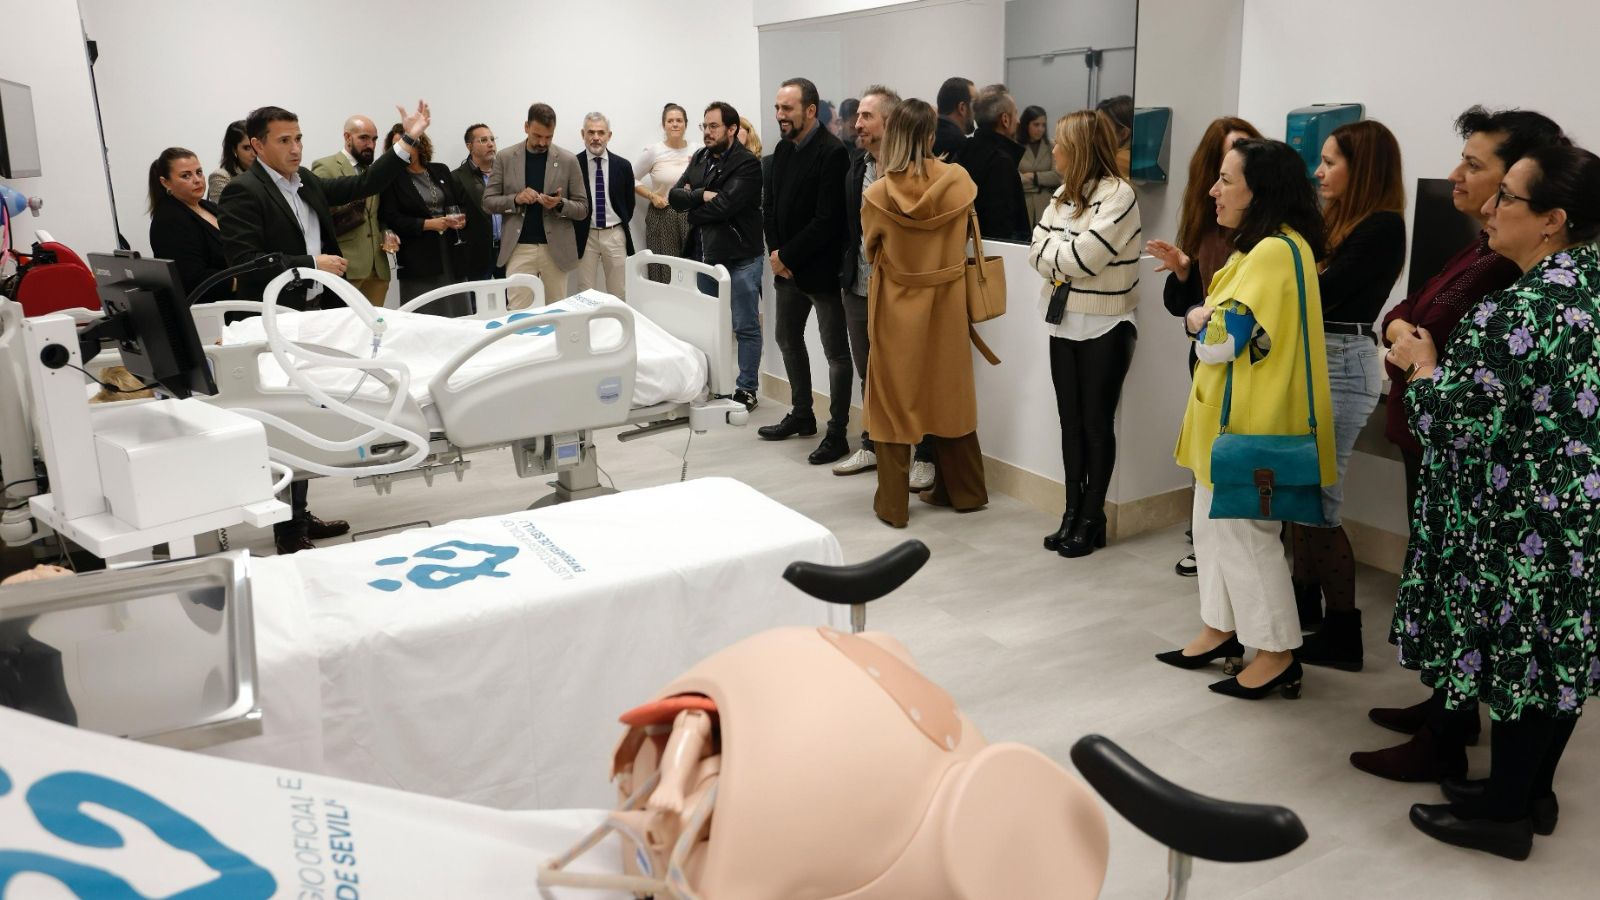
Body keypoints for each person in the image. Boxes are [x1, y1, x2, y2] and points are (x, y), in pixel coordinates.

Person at [1384, 144, 1600, 861]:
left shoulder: (1519, 311)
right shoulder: (1593, 284)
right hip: (1581, 514)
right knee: (1558, 656)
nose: (1489, 205)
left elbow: (1446, 420)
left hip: (1524, 521)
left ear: (1553, 221)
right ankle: (1530, 793)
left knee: (1521, 662)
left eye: (1507, 195)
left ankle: (1505, 815)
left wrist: (1422, 368)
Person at [1352, 107, 1568, 785]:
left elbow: (1434, 347)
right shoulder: (1480, 248)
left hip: (1471, 461)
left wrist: (1417, 355)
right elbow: (1401, 316)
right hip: (1432, 440)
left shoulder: (1513, 275)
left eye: (1478, 167)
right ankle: (1448, 711)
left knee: (1462, 593)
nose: (1458, 176)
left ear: (1527, 185)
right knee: (1446, 587)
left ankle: (1450, 729)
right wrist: (1411, 343)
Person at [1157, 138, 1335, 700]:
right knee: (1212, 529)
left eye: (1226, 180)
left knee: (1245, 538)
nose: (1214, 190)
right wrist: (1202, 314)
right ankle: (1221, 628)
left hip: (1252, 423)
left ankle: (1278, 650)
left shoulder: (1275, 252)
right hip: (1225, 420)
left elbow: (1224, 337)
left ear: (1259, 192)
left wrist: (1193, 320)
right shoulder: (1256, 248)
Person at [218, 101, 431, 554]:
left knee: (310, 411)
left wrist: (406, 140)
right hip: (277, 320)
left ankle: (300, 514)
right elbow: (246, 263)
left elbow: (364, 182)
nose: (295, 149)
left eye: (298, 139)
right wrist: (310, 264)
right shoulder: (243, 191)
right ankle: (288, 531)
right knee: (289, 420)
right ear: (256, 145)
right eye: (284, 141)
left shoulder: (305, 182)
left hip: (316, 317)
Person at [1284, 120, 1408, 669]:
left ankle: (1343, 634)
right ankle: (1303, 607)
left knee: (1321, 506)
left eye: (1331, 161)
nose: (1319, 170)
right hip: (1318, 359)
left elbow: (1317, 292)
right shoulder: (1338, 222)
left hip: (1341, 362)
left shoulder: (1381, 227)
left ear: (1364, 169)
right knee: (1303, 500)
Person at [861, 98, 987, 528]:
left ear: (894, 137)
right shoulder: (959, 182)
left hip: (897, 305)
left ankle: (893, 506)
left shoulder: (877, 194)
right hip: (948, 302)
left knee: (892, 402)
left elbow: (870, 248)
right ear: (932, 136)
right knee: (950, 392)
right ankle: (965, 492)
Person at [1150, 116, 1262, 579]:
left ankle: (1230, 544)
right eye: (1226, 159)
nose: (1224, 180)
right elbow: (1184, 306)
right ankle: (1204, 541)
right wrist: (1181, 269)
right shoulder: (1205, 219)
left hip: (1242, 360)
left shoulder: (1266, 237)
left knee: (1230, 451)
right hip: (1208, 354)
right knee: (1204, 450)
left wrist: (1203, 317)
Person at [1030, 110, 1142, 559]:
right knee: (1070, 425)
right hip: (1064, 322)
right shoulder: (1062, 193)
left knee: (1097, 426)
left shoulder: (1120, 195)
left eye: (1060, 143)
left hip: (1107, 325)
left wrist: (1058, 253)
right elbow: (1035, 248)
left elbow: (1086, 258)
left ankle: (1093, 516)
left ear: (1078, 151)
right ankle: (1071, 512)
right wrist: (1061, 252)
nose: (1052, 150)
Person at [833, 85, 938, 481]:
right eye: (857, 115)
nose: (856, 123)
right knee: (869, 373)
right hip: (860, 288)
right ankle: (871, 445)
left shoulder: (917, 173)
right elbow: (851, 229)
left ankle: (924, 455)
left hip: (903, 292)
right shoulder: (857, 166)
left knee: (914, 375)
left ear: (890, 123)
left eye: (866, 116)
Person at [758, 77, 853, 466]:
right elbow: (771, 207)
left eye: (787, 108)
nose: (779, 115)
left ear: (810, 110)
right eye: (778, 108)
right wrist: (776, 253)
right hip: (788, 269)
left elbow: (827, 220)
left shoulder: (833, 153)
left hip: (821, 271)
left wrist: (787, 256)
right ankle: (802, 414)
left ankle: (837, 433)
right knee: (786, 338)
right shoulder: (782, 151)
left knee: (835, 354)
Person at [668, 101, 763, 411]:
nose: (707, 132)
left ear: (732, 129)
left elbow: (725, 207)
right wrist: (699, 195)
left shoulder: (747, 164)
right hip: (705, 258)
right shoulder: (700, 157)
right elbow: (674, 197)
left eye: (713, 126)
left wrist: (695, 205)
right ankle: (713, 386)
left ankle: (746, 389)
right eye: (704, 126)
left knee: (745, 326)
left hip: (740, 257)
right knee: (709, 326)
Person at [483, 103, 589, 309]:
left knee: (556, 312)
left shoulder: (568, 160)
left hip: (556, 249)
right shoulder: (505, 158)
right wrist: (515, 199)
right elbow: (488, 202)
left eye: (548, 137)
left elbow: (583, 209)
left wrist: (560, 204)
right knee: (518, 313)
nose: (543, 142)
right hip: (518, 247)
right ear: (526, 127)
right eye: (537, 136)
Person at [378, 127, 474, 315]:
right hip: (418, 257)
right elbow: (391, 218)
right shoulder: (391, 179)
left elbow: (460, 204)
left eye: (408, 143)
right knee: (427, 312)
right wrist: (427, 224)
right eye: (398, 145)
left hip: (450, 251)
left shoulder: (440, 170)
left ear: (419, 144)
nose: (404, 149)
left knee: (458, 310)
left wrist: (461, 220)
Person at [311, 115, 392, 306]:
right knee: (346, 330)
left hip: (378, 268)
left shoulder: (373, 171)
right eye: (364, 138)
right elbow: (319, 212)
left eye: (374, 139)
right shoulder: (326, 165)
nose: (370, 145)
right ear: (348, 137)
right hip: (346, 265)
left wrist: (386, 231)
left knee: (375, 329)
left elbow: (378, 214)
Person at [148, 147, 231, 304]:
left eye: (199, 172)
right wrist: (240, 281)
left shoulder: (208, 206)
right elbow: (192, 278)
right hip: (210, 308)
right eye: (186, 176)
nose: (197, 180)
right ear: (165, 182)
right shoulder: (169, 219)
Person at [573, 112, 636, 299]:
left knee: (619, 290)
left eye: (601, 132)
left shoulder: (623, 166)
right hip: (586, 235)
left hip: (615, 234)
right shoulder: (573, 164)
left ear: (609, 135)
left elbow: (628, 204)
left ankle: (617, 327)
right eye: (591, 132)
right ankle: (588, 327)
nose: (596, 138)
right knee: (585, 291)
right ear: (583, 134)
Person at [957, 84, 1029, 242]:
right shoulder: (1001, 162)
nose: (1018, 121)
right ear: (1005, 119)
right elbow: (1002, 228)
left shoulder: (964, 149)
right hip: (995, 257)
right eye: (1016, 113)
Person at [634, 104, 695, 284]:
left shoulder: (697, 150)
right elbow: (630, 178)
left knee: (692, 268)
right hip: (663, 215)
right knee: (666, 270)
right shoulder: (654, 151)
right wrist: (652, 196)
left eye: (679, 120)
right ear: (663, 125)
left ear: (685, 124)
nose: (675, 124)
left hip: (691, 216)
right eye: (670, 121)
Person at [453, 123, 502, 280]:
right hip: (477, 256)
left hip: (507, 252)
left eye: (492, 139)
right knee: (477, 303)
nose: (490, 144)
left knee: (516, 302)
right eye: (483, 140)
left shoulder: (506, 172)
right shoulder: (457, 177)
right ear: (469, 146)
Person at [1017, 105, 1059, 227]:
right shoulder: (1015, 145)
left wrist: (1032, 176)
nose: (1040, 129)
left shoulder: (1051, 145)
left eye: (1043, 125)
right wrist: (1043, 181)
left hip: (1047, 204)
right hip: (1023, 203)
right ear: (1026, 125)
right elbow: (1014, 178)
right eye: (1036, 124)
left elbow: (1057, 176)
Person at [207, 120, 253, 204]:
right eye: (247, 148)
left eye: (257, 146)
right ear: (234, 149)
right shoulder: (220, 176)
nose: (254, 153)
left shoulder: (271, 172)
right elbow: (230, 212)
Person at [932, 76, 975, 160]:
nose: (978, 109)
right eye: (975, 103)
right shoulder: (961, 145)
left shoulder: (925, 137)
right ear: (962, 108)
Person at [1096, 95, 1134, 178]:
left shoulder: (1118, 162)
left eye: (1102, 127)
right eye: (1095, 125)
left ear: (1123, 134)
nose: (1094, 132)